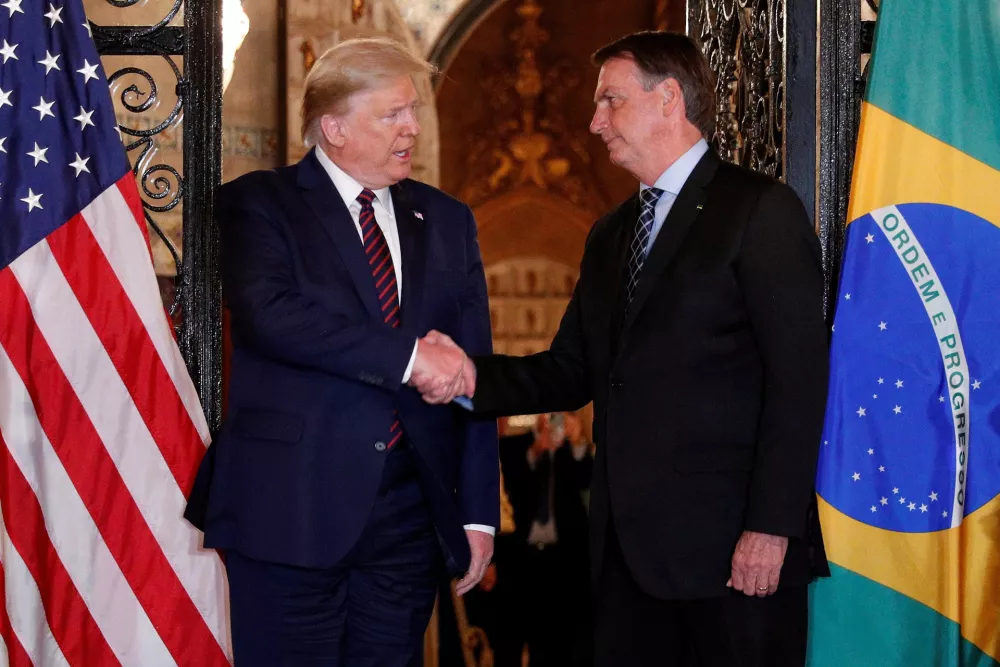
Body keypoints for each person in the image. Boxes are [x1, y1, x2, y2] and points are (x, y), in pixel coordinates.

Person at [414, 31, 829, 667]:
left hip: (737, 557)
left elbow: (798, 383)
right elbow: (571, 369)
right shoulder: (611, 235)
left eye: (610, 101)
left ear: (668, 100)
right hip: (626, 561)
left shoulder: (758, 211)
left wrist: (771, 528)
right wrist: (469, 375)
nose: (593, 121)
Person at [185, 37, 498, 666]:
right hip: (288, 511)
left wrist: (480, 517)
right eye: (393, 114)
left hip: (408, 522)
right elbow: (273, 317)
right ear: (333, 127)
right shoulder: (258, 204)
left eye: (413, 111)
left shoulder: (448, 220)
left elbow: (473, 373)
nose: (412, 128)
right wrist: (411, 358)